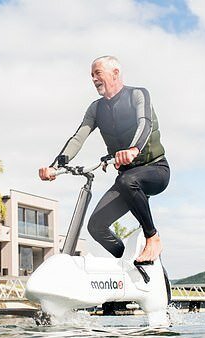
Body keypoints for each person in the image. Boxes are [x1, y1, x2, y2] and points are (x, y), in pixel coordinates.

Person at [39, 55, 170, 262]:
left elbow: (146, 124)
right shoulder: (96, 108)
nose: (93, 79)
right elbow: (78, 137)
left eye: (97, 73)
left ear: (115, 73)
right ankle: (127, 263)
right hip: (127, 178)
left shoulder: (138, 94)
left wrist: (134, 149)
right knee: (96, 226)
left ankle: (152, 238)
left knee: (128, 180)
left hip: (155, 170)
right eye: (91, 75)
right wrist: (55, 167)